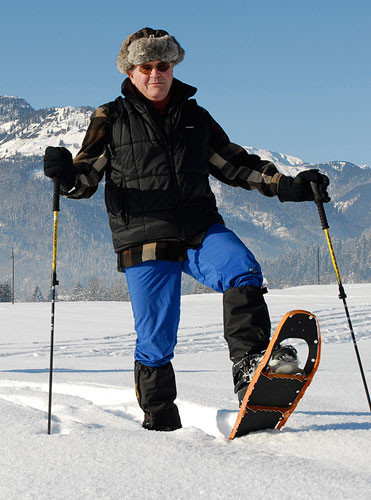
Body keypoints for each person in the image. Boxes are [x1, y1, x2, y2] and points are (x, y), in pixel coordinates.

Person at [43, 27, 330, 431]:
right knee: (156, 340)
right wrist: (66, 175)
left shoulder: (195, 118)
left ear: (173, 67)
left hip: (198, 227)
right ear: (130, 72)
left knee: (241, 268)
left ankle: (250, 367)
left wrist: (289, 186)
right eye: (146, 66)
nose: (155, 74)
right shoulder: (111, 118)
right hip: (143, 237)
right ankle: (161, 423)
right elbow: (86, 177)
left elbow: (236, 165)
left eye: (162, 65)